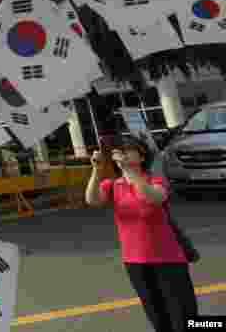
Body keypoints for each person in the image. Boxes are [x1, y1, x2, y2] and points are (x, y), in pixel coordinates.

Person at [84, 133, 199, 331]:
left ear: (142, 156)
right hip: (135, 262)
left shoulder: (155, 180)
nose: (123, 154)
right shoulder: (112, 185)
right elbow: (92, 200)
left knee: (185, 317)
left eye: (128, 150)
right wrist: (96, 170)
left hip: (168, 259)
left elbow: (153, 198)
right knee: (157, 316)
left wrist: (131, 173)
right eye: (119, 151)